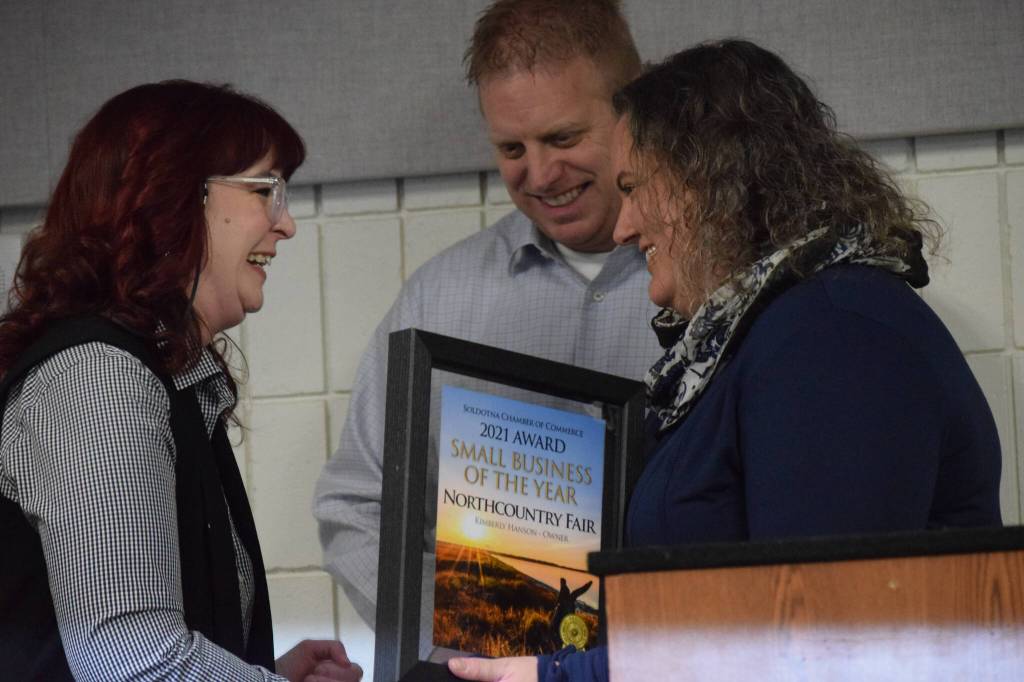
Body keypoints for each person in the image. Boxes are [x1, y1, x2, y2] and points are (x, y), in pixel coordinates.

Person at [447, 38, 1002, 682]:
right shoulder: (767, 332)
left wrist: (564, 677)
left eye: (634, 188)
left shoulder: (835, 333)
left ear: (710, 181)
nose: (623, 228)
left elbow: (814, 628)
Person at [313, 0, 663, 630]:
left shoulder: (716, 281)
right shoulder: (438, 299)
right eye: (511, 147)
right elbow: (357, 505)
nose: (541, 174)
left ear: (633, 110)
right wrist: (468, 636)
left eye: (563, 137)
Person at [0, 81, 361, 681]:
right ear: (173, 197)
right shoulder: (98, 380)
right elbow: (131, 658)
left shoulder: (140, 372)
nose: (286, 224)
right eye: (264, 190)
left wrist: (263, 672)